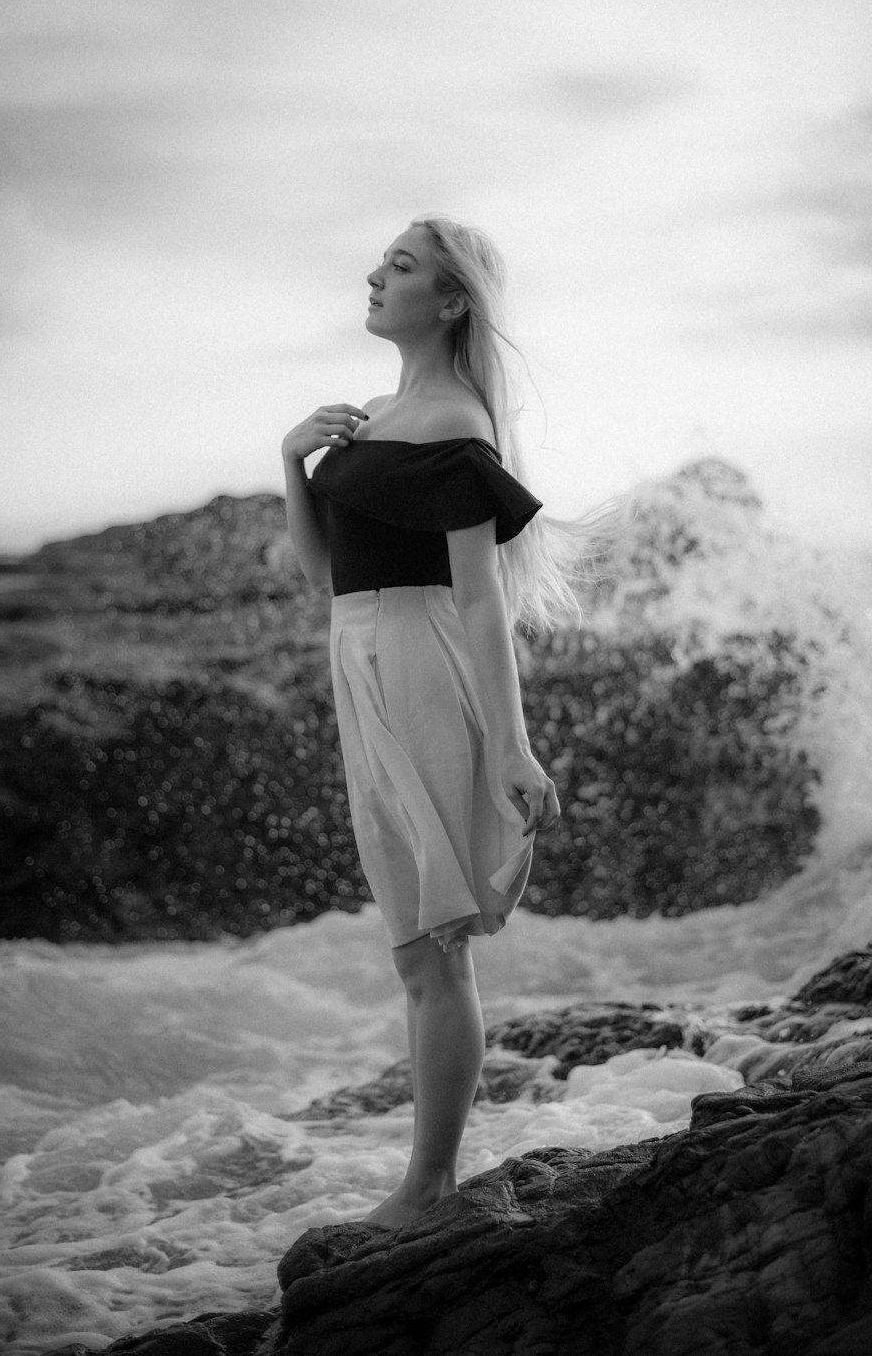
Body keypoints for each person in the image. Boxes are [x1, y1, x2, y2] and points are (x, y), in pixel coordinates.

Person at [281, 214, 588, 1229]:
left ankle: (428, 1192)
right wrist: (292, 459)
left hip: (418, 665)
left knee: (433, 947)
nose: (374, 274)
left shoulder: (456, 425)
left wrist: (510, 742)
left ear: (449, 299)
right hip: (359, 659)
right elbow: (326, 573)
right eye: (382, 261)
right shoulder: (374, 415)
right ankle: (427, 1187)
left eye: (401, 266)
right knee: (417, 946)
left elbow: (481, 600)